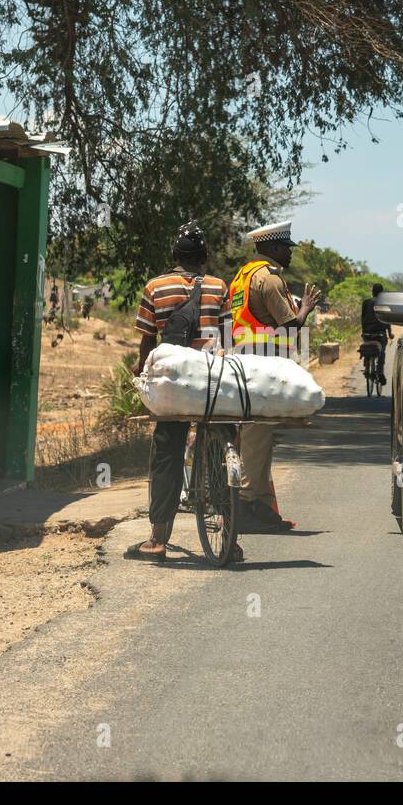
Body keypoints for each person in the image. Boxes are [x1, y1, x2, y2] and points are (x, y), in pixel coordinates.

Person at [131, 222, 228, 559]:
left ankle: (157, 540)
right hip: (213, 381)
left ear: (174, 255)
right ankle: (231, 536)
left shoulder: (156, 287)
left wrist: (141, 371)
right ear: (204, 258)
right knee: (222, 442)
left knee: (166, 454)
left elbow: (147, 340)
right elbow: (227, 338)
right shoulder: (218, 286)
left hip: (174, 386)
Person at [226, 220, 320, 533]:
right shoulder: (270, 280)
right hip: (264, 367)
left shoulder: (242, 277)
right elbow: (290, 327)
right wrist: (304, 308)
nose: (289, 254)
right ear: (272, 247)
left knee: (258, 436)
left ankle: (262, 505)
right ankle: (249, 502)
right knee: (257, 435)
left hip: (245, 361)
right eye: (286, 248)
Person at [360, 282, 393, 384]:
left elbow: (362, 317)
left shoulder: (366, 302)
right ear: (381, 293)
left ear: (372, 292)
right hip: (380, 333)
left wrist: (364, 330)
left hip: (367, 332)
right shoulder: (384, 303)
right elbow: (387, 320)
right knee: (381, 352)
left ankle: (366, 366)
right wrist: (390, 333)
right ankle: (380, 372)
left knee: (367, 346)